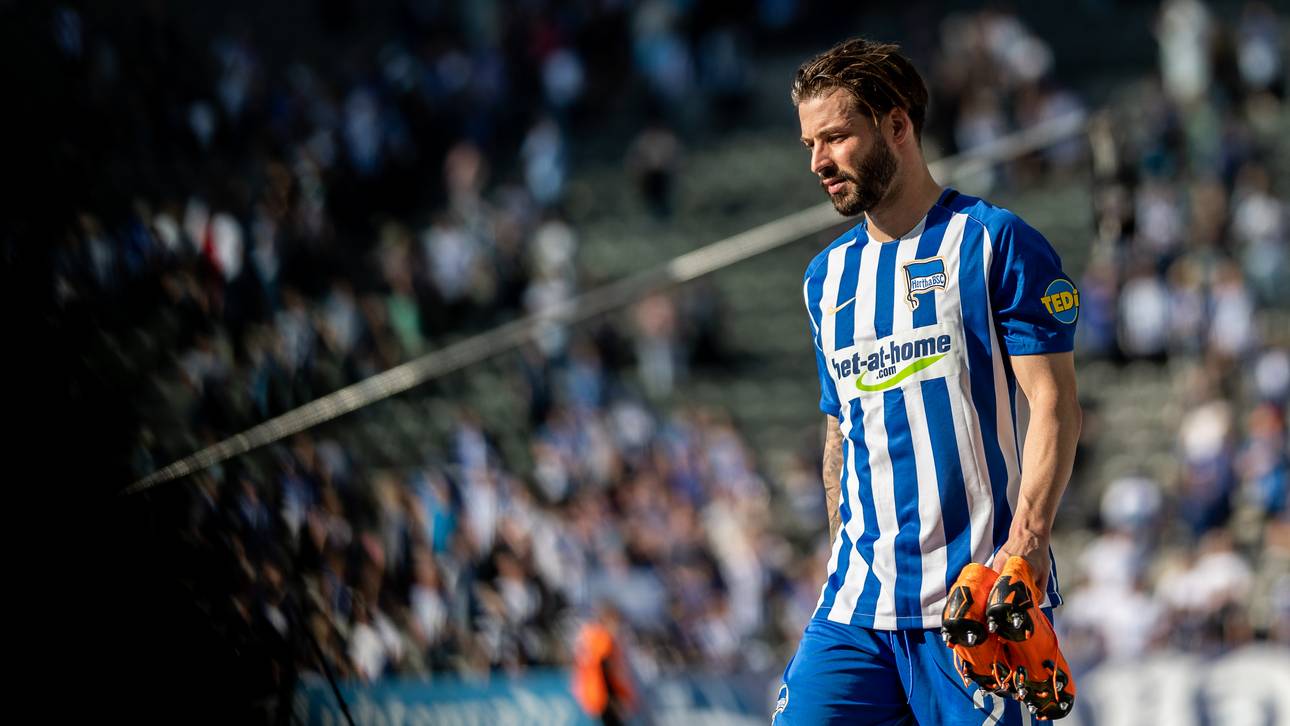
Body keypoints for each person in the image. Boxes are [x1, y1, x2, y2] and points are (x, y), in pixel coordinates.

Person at [774, 38, 1082, 724]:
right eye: (809, 145)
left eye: (835, 137)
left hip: (975, 608)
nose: (819, 161)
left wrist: (1025, 554)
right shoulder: (824, 280)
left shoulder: (995, 242)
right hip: (856, 610)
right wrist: (839, 560)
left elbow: (1054, 403)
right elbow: (840, 432)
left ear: (897, 125)